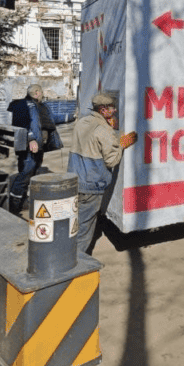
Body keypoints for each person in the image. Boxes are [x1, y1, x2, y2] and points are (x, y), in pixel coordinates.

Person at [69, 93, 137, 254]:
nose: (114, 111)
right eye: (112, 108)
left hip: (74, 180)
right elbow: (111, 161)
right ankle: (78, 263)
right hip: (91, 186)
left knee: (75, 221)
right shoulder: (103, 130)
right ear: (103, 110)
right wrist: (120, 145)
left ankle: (71, 254)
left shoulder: (82, 123)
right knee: (85, 228)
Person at [6, 85, 63, 215]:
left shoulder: (42, 106)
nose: (43, 95)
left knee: (34, 172)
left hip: (40, 146)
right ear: (37, 92)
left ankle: (23, 202)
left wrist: (72, 116)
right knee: (26, 173)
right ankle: (13, 208)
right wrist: (30, 139)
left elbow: (51, 120)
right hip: (30, 146)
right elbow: (20, 123)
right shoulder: (23, 104)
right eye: (41, 92)